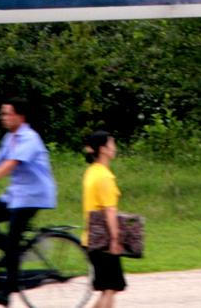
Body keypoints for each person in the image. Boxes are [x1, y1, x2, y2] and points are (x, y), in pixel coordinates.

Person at [0, 98, 57, 306]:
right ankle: (10, 254)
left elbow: (11, 163)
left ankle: (6, 292)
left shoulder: (29, 138)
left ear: (20, 116)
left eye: (7, 113)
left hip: (34, 195)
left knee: (14, 238)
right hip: (17, 195)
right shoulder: (10, 138)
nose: (3, 117)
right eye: (2, 114)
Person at [82, 130, 125, 306]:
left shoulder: (91, 171)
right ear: (103, 149)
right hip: (104, 242)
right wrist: (115, 239)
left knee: (109, 288)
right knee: (110, 288)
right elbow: (110, 211)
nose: (114, 148)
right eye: (111, 144)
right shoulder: (105, 177)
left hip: (91, 239)